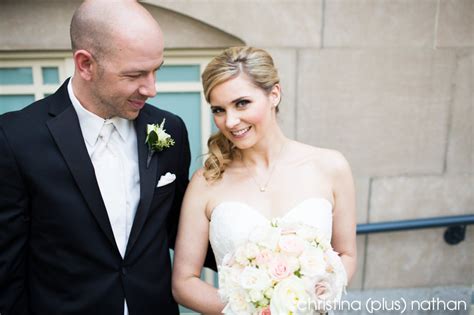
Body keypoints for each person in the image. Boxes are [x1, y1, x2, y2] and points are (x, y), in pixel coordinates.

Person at [0, 1, 214, 314]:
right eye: (135, 74)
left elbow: (178, 229)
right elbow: (7, 267)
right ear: (85, 64)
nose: (151, 88)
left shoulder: (171, 130)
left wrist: (265, 265)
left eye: (157, 70)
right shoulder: (15, 138)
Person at [172, 46, 357, 313]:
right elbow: (184, 283)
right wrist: (249, 310)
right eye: (219, 110)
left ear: (274, 94)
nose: (231, 121)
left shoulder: (331, 167)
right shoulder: (205, 183)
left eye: (241, 103)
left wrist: (313, 301)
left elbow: (346, 255)